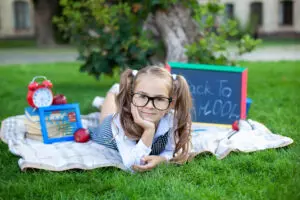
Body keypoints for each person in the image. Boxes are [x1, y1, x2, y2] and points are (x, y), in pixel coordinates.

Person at [90, 65, 193, 172]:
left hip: (134, 109)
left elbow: (170, 151)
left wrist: (162, 159)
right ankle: (114, 92)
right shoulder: (119, 121)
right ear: (131, 97)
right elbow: (133, 165)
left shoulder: (171, 119)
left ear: (171, 104)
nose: (149, 106)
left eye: (159, 98)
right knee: (107, 113)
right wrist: (149, 130)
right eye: (143, 96)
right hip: (107, 127)